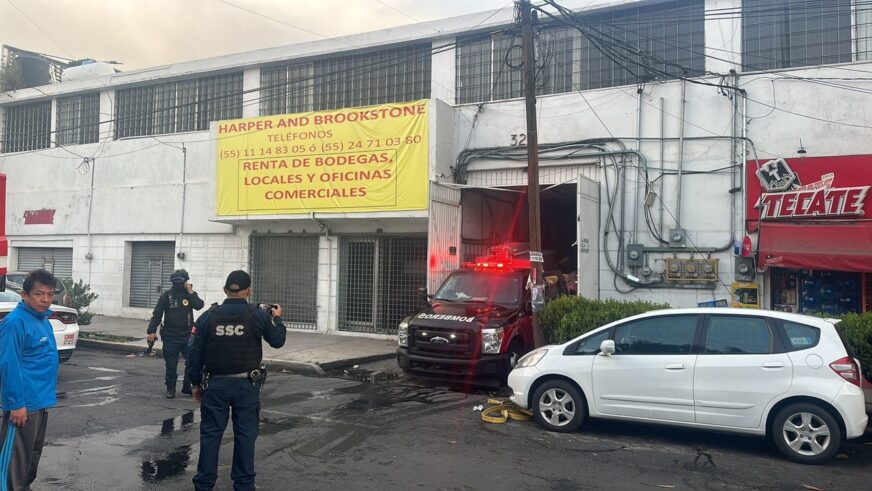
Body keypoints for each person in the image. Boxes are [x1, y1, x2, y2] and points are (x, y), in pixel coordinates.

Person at [186, 270, 286, 491]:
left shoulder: (208, 316)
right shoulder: (257, 315)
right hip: (246, 386)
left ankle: (203, 485)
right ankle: (244, 485)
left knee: (211, 436)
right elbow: (277, 341)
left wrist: (194, 384)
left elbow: (194, 353)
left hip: (216, 385)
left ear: (224, 290)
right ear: (248, 291)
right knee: (245, 436)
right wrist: (277, 318)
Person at [0, 269, 60, 490]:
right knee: (13, 465)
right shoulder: (15, 323)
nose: (45, 299)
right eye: (39, 294)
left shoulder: (42, 319)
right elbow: (9, 365)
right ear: (24, 295)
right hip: (24, 405)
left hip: (41, 402)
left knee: (31, 460)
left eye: (50, 294)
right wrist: (16, 405)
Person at [147, 268, 204, 398]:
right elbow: (157, 314)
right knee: (171, 364)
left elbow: (199, 305)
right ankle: (170, 388)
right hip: (171, 336)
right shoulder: (166, 296)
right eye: (176, 281)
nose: (178, 283)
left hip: (188, 336)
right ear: (172, 282)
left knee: (192, 362)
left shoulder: (189, 295)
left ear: (186, 282)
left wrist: (190, 292)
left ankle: (187, 386)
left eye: (181, 281)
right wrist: (151, 331)